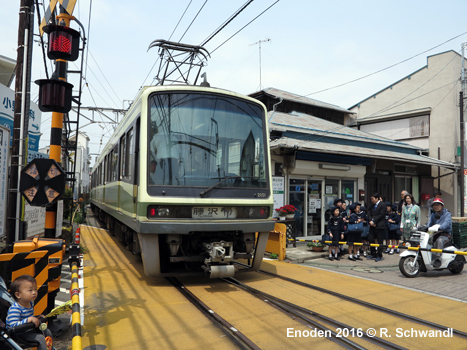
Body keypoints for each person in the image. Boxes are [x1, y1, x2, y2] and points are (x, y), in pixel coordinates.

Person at [6, 275, 52, 350]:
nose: (34, 292)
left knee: (47, 331)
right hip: (19, 334)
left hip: (28, 330)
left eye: (35, 289)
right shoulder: (15, 309)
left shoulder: (30, 304)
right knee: (40, 338)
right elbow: (13, 325)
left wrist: (37, 318)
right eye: (30, 290)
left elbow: (29, 318)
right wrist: (28, 320)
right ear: (18, 295)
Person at [427, 198, 452, 268]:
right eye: (434, 205)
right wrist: (425, 228)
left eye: (437, 205)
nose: (436, 207)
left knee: (439, 241)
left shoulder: (447, 214)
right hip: (436, 233)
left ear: (442, 206)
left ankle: (438, 259)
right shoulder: (433, 214)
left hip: (446, 234)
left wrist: (440, 227)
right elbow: (429, 223)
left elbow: (446, 223)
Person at [367, 193, 386, 262]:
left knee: (380, 240)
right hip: (372, 225)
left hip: (379, 225)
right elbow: (369, 214)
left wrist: (374, 221)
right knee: (370, 239)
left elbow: (381, 215)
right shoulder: (371, 206)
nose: (372, 200)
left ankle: (379, 255)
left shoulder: (383, 205)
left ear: (377, 198)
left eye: (373, 199)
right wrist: (370, 221)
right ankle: (373, 253)